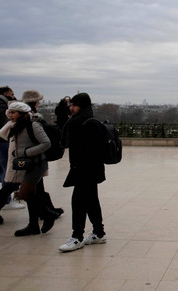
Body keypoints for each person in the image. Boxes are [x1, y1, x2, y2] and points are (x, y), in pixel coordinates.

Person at [0, 101, 58, 236]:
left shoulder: (33, 125)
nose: (10, 115)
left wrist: (26, 152)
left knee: (24, 194)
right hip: (25, 164)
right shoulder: (14, 126)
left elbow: (46, 143)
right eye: (9, 112)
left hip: (36, 164)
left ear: (22, 114)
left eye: (13, 112)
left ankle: (48, 215)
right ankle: (33, 225)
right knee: (32, 195)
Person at [59, 92, 107, 252]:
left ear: (82, 106)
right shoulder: (81, 121)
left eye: (74, 105)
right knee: (91, 201)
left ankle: (77, 236)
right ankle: (99, 233)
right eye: (70, 105)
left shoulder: (87, 123)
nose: (71, 108)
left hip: (85, 169)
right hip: (85, 169)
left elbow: (89, 149)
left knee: (78, 202)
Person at [20, 90, 64, 218]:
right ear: (36, 102)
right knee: (30, 186)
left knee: (35, 184)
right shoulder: (32, 116)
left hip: (28, 153)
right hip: (31, 154)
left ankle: (44, 211)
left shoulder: (25, 115)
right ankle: (45, 212)